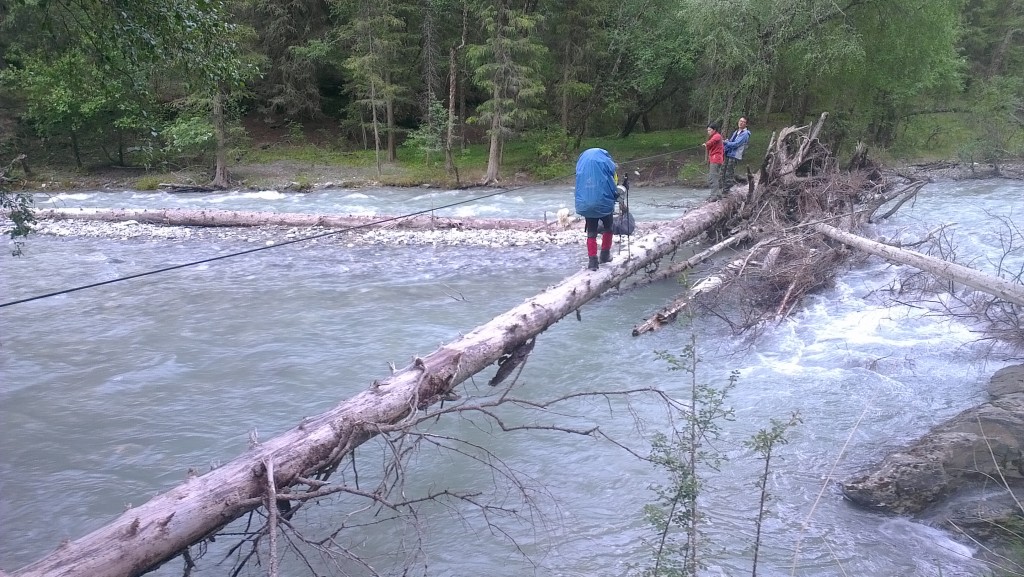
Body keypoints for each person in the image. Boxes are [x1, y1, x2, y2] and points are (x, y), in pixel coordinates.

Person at [574, 148, 623, 271]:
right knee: (608, 227)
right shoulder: (608, 168)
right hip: (603, 203)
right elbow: (614, 185)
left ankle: (592, 261)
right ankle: (605, 255)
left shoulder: (581, 171)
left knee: (591, 233)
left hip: (586, 204)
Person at [722, 116, 750, 194]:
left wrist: (726, 142)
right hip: (728, 153)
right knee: (723, 172)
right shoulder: (736, 131)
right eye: (740, 121)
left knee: (729, 173)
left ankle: (726, 192)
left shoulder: (745, 134)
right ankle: (722, 190)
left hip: (734, 155)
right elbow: (731, 142)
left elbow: (736, 144)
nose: (741, 123)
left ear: (746, 124)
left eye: (743, 122)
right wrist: (727, 141)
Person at [702, 122, 724, 198]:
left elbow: (712, 141)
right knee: (715, 177)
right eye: (707, 130)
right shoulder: (715, 136)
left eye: (709, 130)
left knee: (713, 177)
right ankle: (718, 194)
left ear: (714, 130)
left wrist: (706, 144)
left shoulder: (717, 136)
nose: (708, 132)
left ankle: (713, 196)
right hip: (715, 159)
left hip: (716, 159)